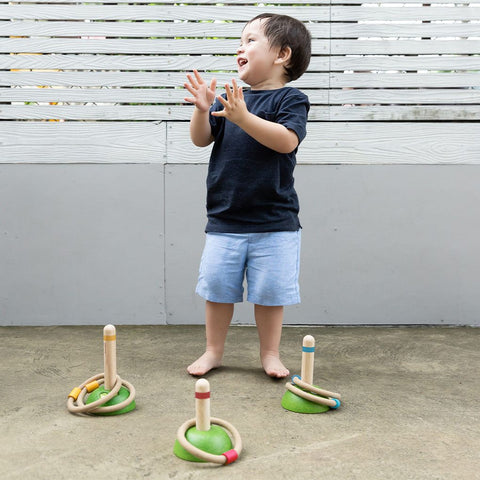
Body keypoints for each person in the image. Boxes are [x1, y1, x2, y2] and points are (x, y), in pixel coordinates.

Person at [183, 13, 311, 378]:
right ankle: (213, 351)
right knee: (218, 290)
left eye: (251, 40)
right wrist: (203, 110)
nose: (241, 47)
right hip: (225, 218)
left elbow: (286, 141)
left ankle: (270, 353)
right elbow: (201, 139)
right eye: (241, 41)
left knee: (271, 294)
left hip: (275, 222)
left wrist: (242, 118)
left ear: (282, 54)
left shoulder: (291, 99)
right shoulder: (230, 100)